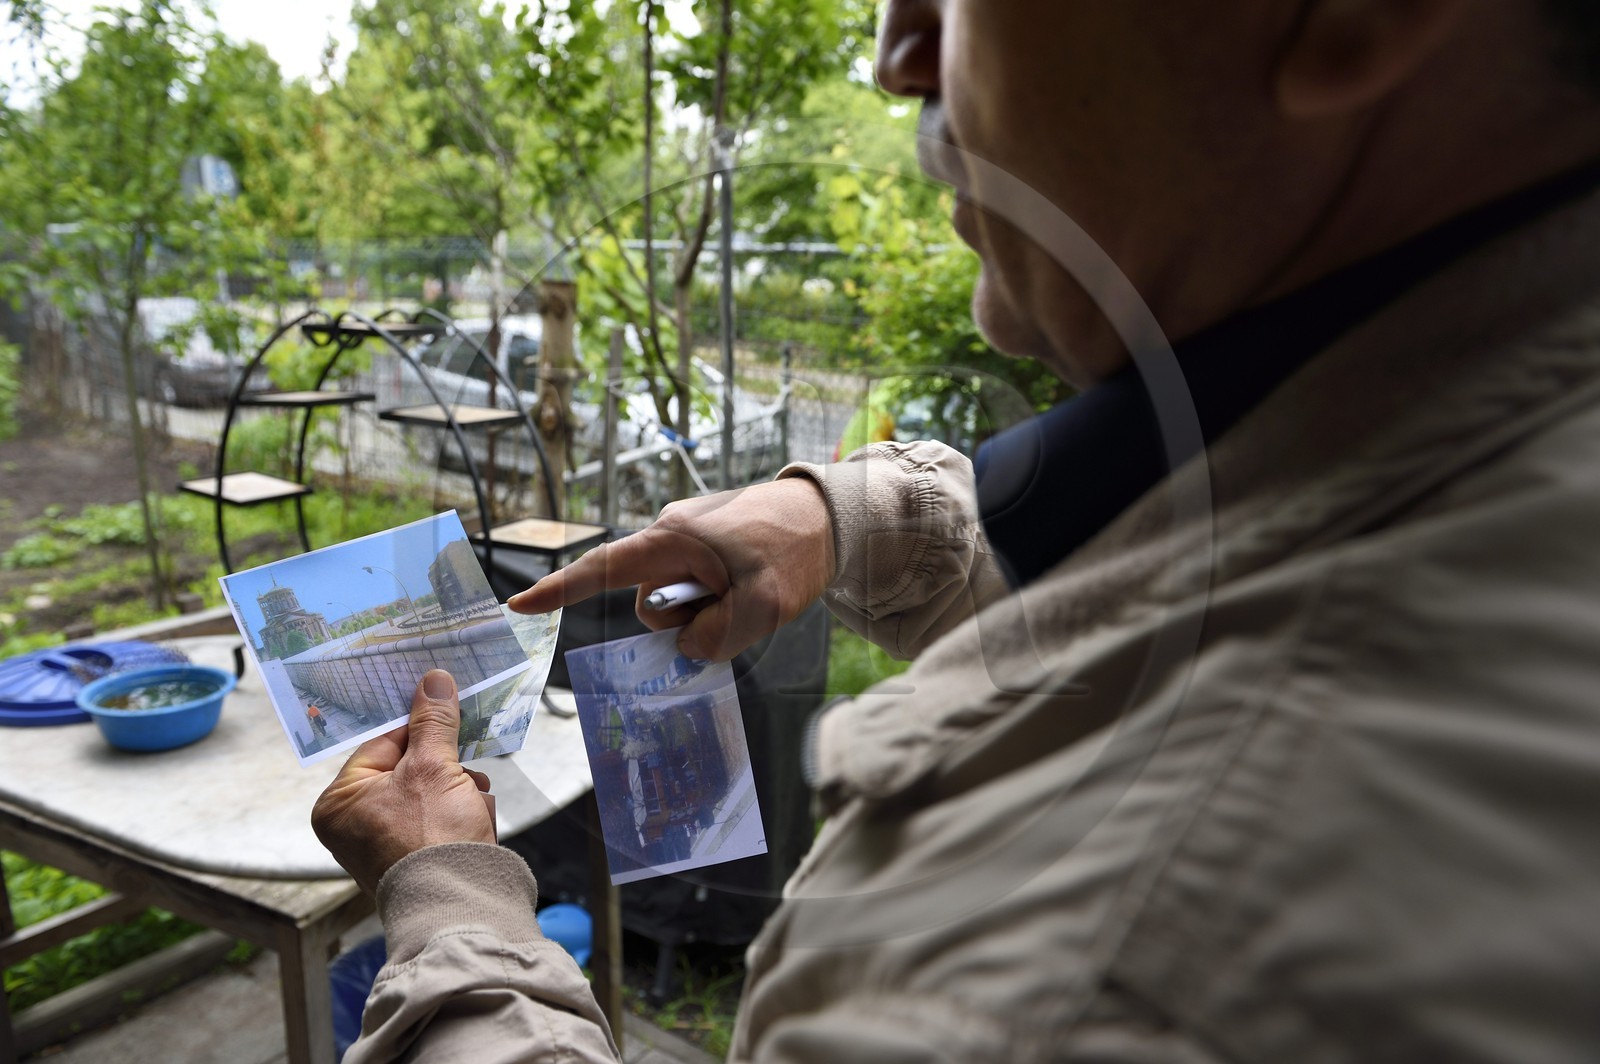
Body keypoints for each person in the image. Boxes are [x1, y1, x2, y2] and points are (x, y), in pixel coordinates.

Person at [312, 1, 1600, 1059]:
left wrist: (447, 903)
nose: (898, 54)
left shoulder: (1077, 981)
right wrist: (849, 515)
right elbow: (1190, 574)